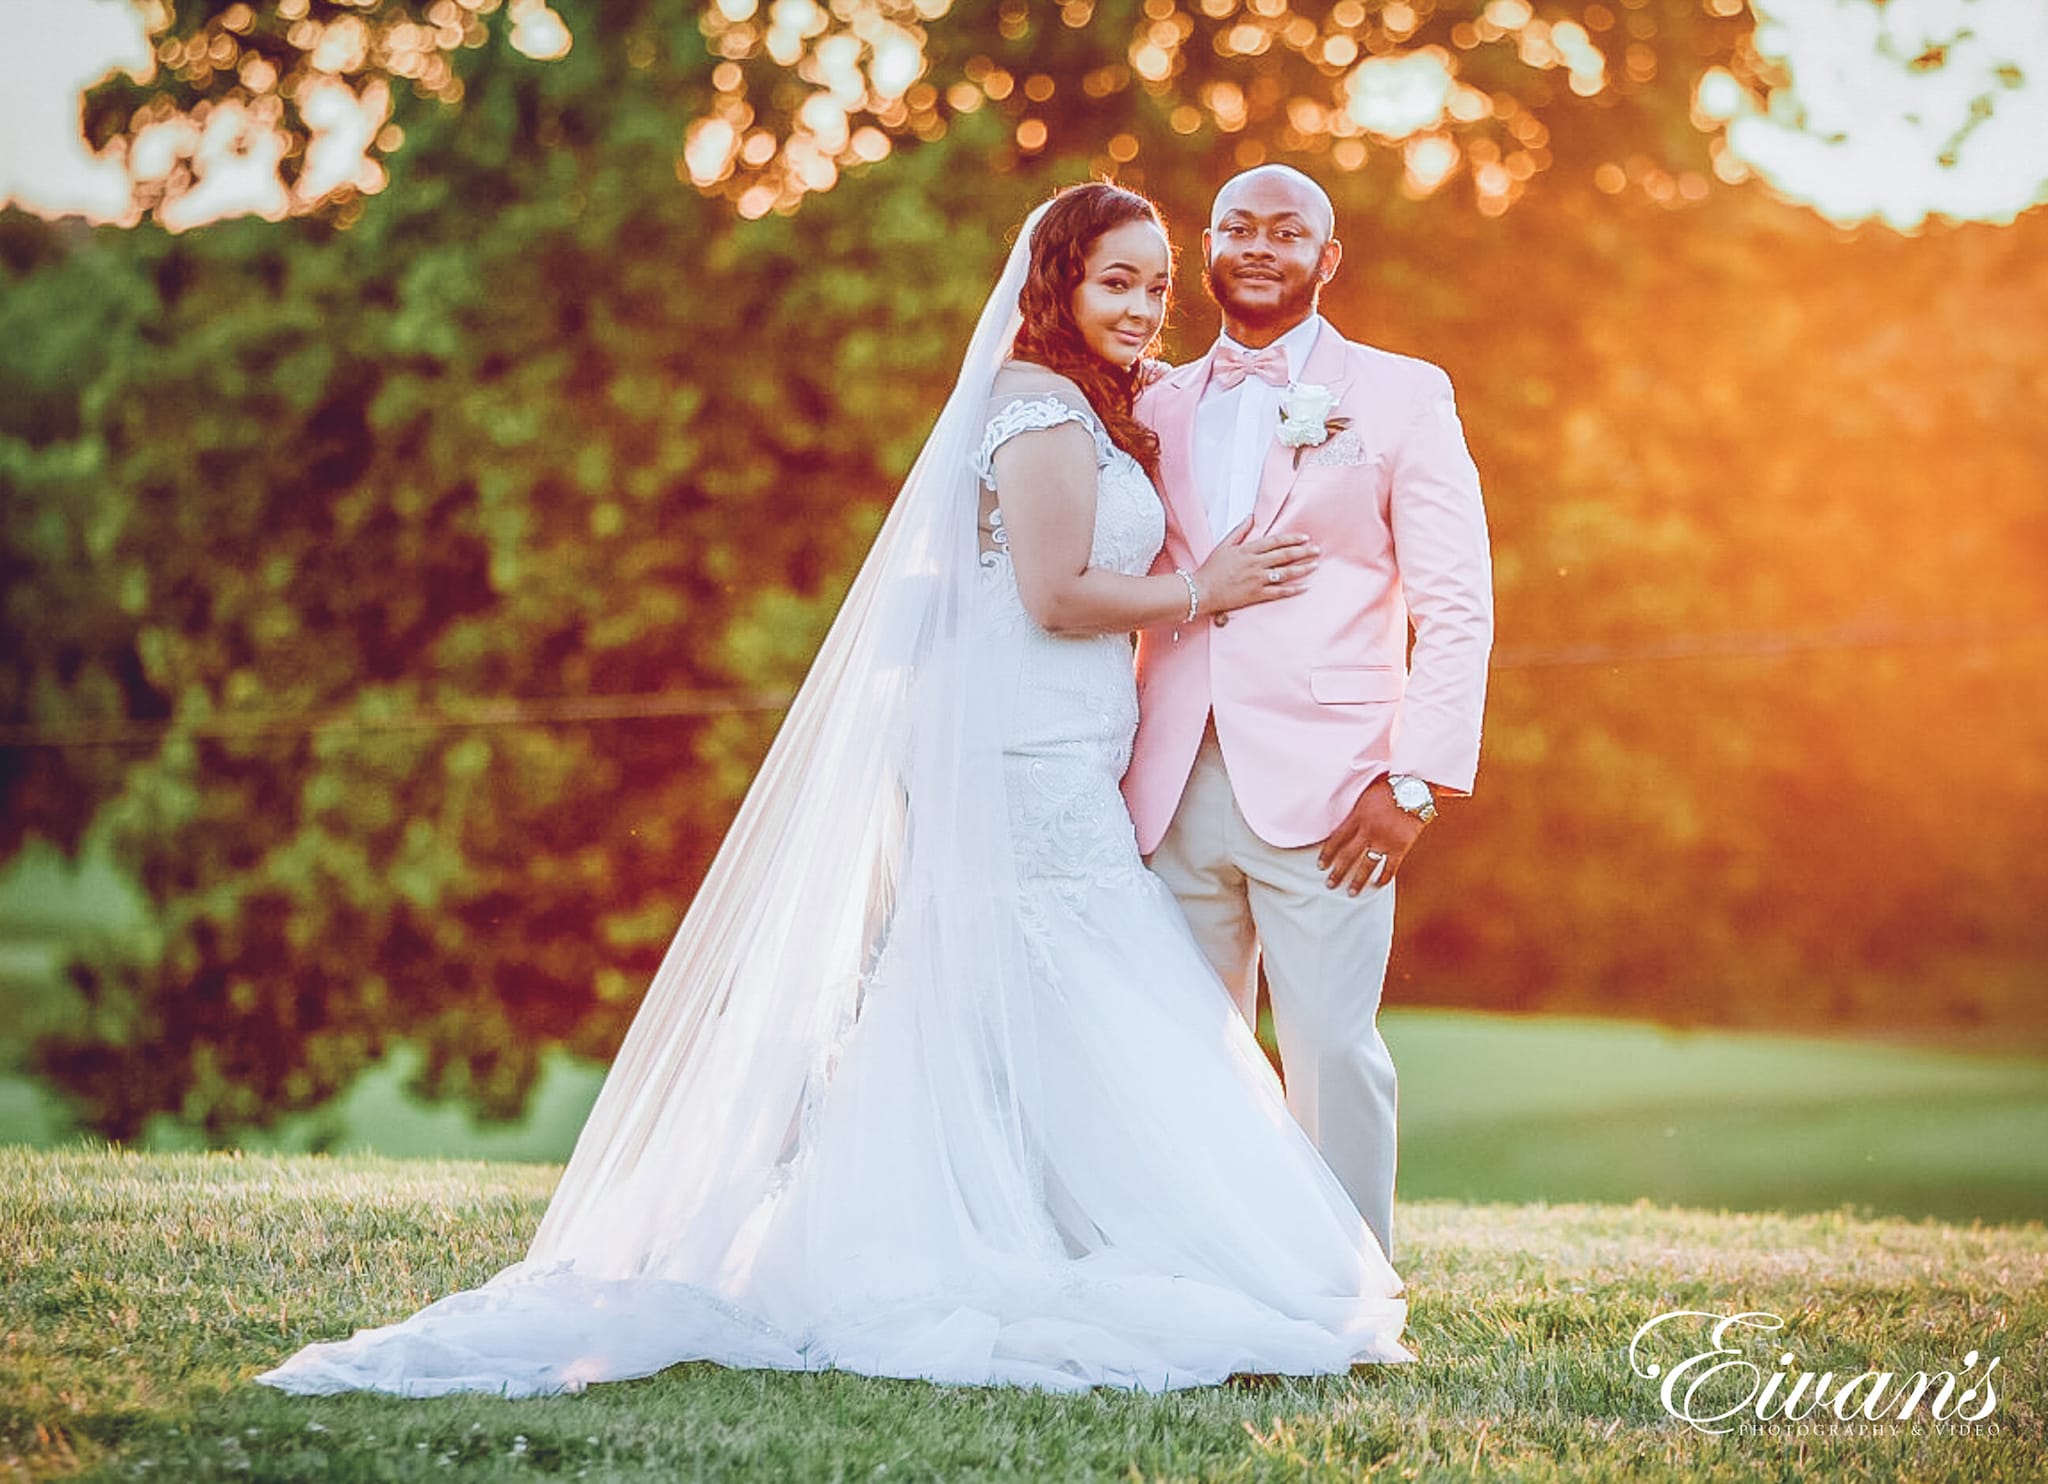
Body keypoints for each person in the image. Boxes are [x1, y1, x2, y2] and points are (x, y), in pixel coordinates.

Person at [253, 182, 1415, 1400]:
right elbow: (1054, 594)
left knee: (1023, 989)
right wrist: (1204, 592)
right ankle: (1025, 1243)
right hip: (1020, 753)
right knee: (1067, 981)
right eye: (1112, 281)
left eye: (1151, 287)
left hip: (1065, 748)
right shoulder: (1033, 404)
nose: (1137, 307)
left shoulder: (1091, 407)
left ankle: (1061, 1226)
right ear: (1056, 285)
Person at [1125, 166, 1496, 1264]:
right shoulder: (1148, 400)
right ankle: (1201, 1272)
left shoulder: (1400, 393)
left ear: (1325, 259)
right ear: (1205, 249)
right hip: (1165, 775)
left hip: (1339, 784)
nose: (1259, 246)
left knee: (1331, 1050)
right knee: (1184, 1044)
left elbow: (1455, 604)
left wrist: (1415, 777)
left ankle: (1344, 1291)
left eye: (1287, 232)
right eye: (1236, 227)